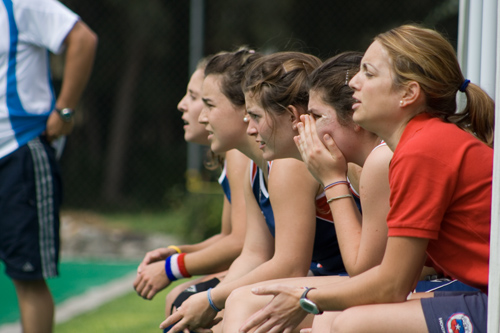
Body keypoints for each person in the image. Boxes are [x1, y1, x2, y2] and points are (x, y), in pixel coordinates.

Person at [232, 24, 493, 333]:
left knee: (353, 324)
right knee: (338, 320)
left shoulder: (422, 149)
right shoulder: (417, 144)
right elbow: (397, 280)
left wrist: (307, 297)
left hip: (491, 300)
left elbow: (391, 284)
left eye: (369, 73)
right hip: (484, 294)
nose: (354, 82)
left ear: (408, 94)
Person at [160, 50, 358, 333]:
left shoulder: (290, 165)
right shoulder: (256, 167)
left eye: (208, 104)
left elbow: (290, 266)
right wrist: (210, 299)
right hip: (332, 279)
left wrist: (211, 297)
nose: (248, 126)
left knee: (237, 307)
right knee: (194, 307)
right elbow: (253, 252)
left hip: (342, 281)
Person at [0, 1, 98, 332]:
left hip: (19, 153)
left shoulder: (19, 4)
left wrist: (65, 110)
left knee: (27, 277)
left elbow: (83, 38)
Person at [133, 58, 249, 316]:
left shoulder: (241, 154)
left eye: (197, 98)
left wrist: (172, 268)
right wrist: (176, 253)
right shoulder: (232, 155)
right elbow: (229, 236)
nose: (182, 105)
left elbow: (240, 243)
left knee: (183, 301)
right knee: (181, 301)